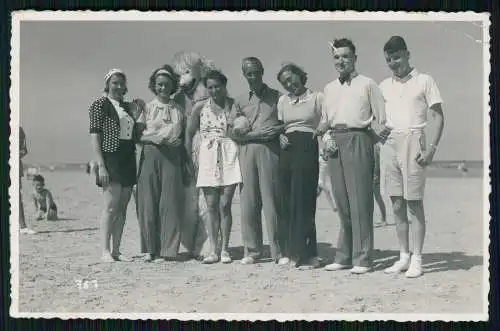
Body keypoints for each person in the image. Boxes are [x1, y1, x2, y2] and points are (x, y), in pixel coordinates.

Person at [321, 38, 389, 274]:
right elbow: (325, 120)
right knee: (341, 202)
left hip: (359, 138)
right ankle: (344, 256)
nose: (341, 61)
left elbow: (383, 119)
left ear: (355, 58)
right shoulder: (329, 88)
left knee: (360, 202)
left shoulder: (367, 84)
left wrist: (376, 143)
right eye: (337, 57)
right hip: (334, 143)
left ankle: (363, 258)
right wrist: (326, 136)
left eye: (346, 56)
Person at [379, 36, 445, 278]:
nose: (393, 63)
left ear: (407, 54)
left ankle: (417, 259)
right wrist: (380, 135)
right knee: (396, 202)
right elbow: (379, 119)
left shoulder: (424, 80)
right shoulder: (383, 85)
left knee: (414, 202)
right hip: (390, 143)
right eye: (389, 60)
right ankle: (403, 256)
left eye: (397, 57)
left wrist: (431, 149)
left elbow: (438, 116)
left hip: (414, 139)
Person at [228, 57, 287, 265]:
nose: (253, 76)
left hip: (270, 152)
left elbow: (286, 123)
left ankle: (279, 251)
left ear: (262, 71)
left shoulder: (277, 97)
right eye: (248, 73)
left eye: (256, 72)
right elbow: (231, 131)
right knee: (249, 202)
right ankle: (253, 251)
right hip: (247, 152)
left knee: (273, 201)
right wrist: (255, 135)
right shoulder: (239, 101)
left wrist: (275, 131)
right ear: (244, 75)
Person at [186, 69, 242, 264]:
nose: (214, 90)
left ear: (224, 86)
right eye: (210, 87)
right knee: (211, 206)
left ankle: (225, 249)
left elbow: (242, 128)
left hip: (228, 152)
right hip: (207, 155)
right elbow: (190, 133)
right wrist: (190, 160)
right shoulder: (199, 107)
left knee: (225, 205)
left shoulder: (233, 105)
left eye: (217, 86)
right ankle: (213, 249)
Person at [135, 65, 185, 263]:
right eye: (159, 85)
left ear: (173, 85)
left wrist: (178, 144)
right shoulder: (147, 108)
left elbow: (182, 135)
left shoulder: (179, 109)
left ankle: (168, 250)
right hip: (151, 154)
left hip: (172, 157)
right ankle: (149, 249)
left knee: (170, 203)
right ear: (154, 86)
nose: (163, 88)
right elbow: (138, 136)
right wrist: (155, 140)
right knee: (147, 202)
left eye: (167, 84)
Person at [275, 62, 323, 269]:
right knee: (286, 202)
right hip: (287, 151)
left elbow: (326, 121)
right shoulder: (283, 101)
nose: (289, 84)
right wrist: (279, 137)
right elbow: (279, 125)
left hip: (307, 147)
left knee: (304, 202)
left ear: (300, 75)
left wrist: (319, 134)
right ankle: (290, 252)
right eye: (284, 82)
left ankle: (309, 254)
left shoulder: (316, 98)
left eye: (291, 78)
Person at [89, 68, 138, 262]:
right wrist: (101, 165)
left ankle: (117, 250)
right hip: (111, 157)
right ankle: (105, 250)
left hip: (127, 156)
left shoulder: (127, 107)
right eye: (114, 82)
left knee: (123, 207)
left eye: (121, 83)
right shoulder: (99, 104)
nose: (118, 86)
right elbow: (95, 137)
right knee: (110, 206)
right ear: (107, 84)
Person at [19, 127, 37, 234]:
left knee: (16, 196)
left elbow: (24, 150)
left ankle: (22, 226)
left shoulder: (19, 130)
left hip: (14, 165)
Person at [373, 142, 388, 226]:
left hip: (374, 175)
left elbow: (377, 163)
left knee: (378, 198)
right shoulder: (377, 146)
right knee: (378, 198)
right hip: (374, 175)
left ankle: (383, 219)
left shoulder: (375, 146)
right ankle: (383, 219)